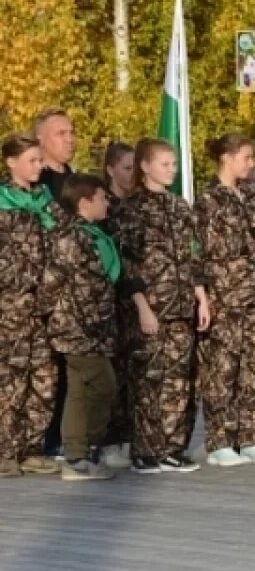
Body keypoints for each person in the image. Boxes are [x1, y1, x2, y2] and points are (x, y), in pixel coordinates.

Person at [115, 139, 211, 473]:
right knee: (148, 379)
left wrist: (201, 297)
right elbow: (128, 264)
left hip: (181, 305)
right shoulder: (131, 209)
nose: (172, 169)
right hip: (151, 307)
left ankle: (172, 446)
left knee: (179, 380)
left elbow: (192, 255)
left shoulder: (179, 206)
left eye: (174, 163)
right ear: (145, 167)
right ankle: (145, 448)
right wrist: (142, 306)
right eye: (165, 164)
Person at [195, 134, 255, 468]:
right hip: (226, 296)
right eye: (247, 157)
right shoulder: (208, 199)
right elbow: (207, 248)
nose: (253, 164)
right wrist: (202, 294)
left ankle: (251, 435)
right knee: (223, 369)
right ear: (228, 158)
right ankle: (220, 439)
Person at [40, 175, 121, 481]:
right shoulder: (72, 237)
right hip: (79, 329)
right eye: (102, 197)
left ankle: (78, 456)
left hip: (95, 327)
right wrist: (70, 319)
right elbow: (58, 283)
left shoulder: (94, 235)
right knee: (103, 386)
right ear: (85, 202)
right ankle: (83, 451)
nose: (107, 203)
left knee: (79, 390)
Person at [0, 134, 64, 478]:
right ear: (11, 162)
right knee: (9, 380)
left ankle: (30, 448)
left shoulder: (45, 200)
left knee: (44, 378)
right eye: (32, 161)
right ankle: (5, 450)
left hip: (44, 305)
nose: (39, 167)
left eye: (40, 160)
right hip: (9, 305)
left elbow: (63, 237)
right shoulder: (2, 201)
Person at [34, 108, 76, 460]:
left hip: (79, 294)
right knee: (45, 369)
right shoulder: (37, 184)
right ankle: (43, 438)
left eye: (71, 132)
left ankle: (66, 435)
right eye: (61, 133)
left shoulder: (76, 180)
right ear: (41, 141)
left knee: (73, 369)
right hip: (46, 292)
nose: (69, 139)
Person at [98, 140, 136, 469]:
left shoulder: (139, 205)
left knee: (133, 371)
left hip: (139, 299)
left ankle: (130, 437)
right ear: (110, 169)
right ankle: (109, 440)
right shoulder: (101, 206)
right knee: (111, 371)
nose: (132, 174)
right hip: (111, 299)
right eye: (126, 168)